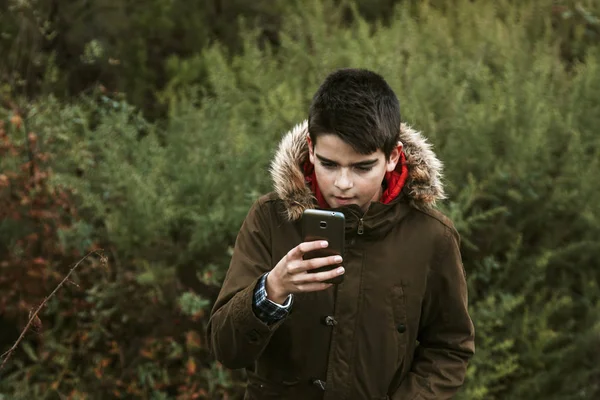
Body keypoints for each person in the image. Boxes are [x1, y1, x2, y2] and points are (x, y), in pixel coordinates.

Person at [207, 68, 475, 400]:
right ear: (310, 148)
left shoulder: (432, 236)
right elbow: (226, 350)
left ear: (392, 157)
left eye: (362, 167)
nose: (343, 184)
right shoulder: (269, 218)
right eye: (329, 164)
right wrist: (271, 290)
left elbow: (449, 349)